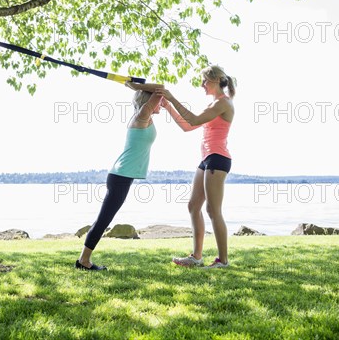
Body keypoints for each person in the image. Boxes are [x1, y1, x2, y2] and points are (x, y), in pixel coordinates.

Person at [76, 81, 164, 270]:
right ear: (149, 100)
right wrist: (136, 87)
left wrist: (140, 87)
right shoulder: (142, 115)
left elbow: (159, 92)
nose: (162, 102)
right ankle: (83, 261)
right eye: (159, 100)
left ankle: (84, 259)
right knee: (104, 220)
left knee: (104, 218)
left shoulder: (144, 116)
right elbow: (160, 88)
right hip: (120, 176)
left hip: (122, 175)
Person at [155, 65, 236, 269]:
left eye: (204, 81)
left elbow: (193, 119)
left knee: (212, 209)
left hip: (218, 158)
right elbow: (187, 126)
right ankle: (196, 257)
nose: (202, 85)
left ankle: (223, 261)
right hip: (207, 158)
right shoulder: (213, 105)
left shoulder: (223, 104)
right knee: (193, 206)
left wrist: (172, 98)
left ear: (216, 80)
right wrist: (168, 107)